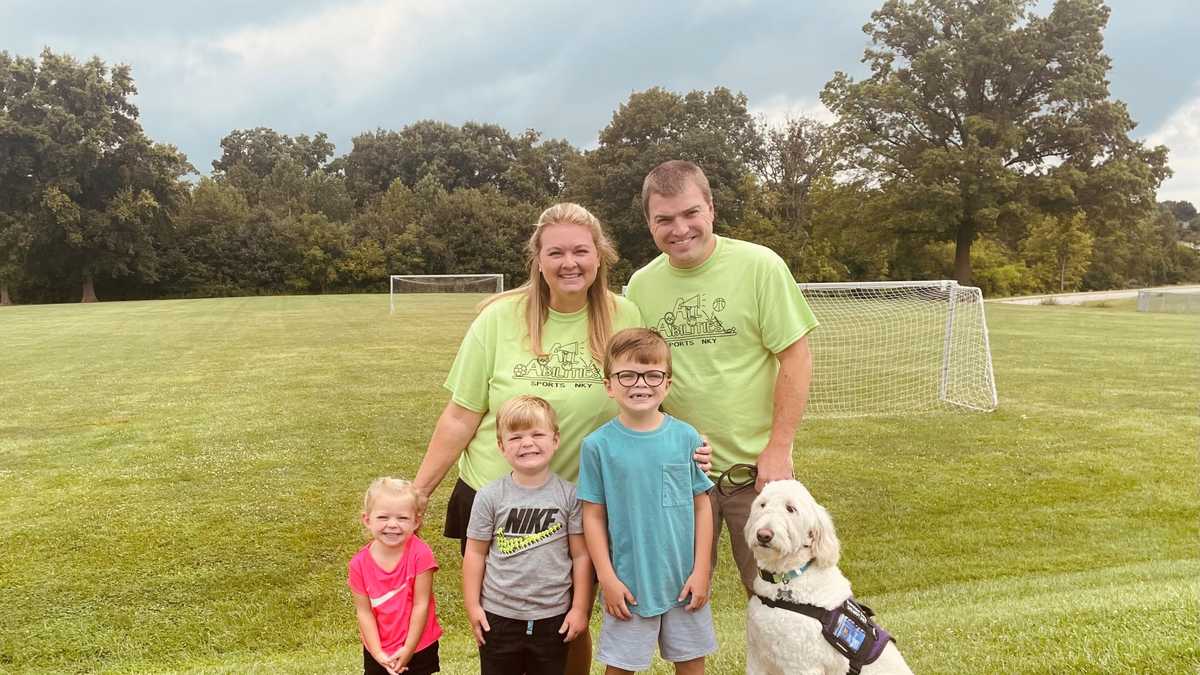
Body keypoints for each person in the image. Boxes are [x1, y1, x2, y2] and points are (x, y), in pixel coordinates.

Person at [412, 202, 647, 674]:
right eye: (555, 252)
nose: (569, 263)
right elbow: (461, 414)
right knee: (501, 627)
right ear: (538, 259)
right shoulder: (498, 319)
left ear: (599, 255)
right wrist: (419, 492)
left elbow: (643, 398)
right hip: (495, 498)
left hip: (579, 503)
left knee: (569, 624)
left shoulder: (625, 315)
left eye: (581, 250)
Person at [626, 160, 820, 595]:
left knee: (782, 597)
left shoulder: (759, 266)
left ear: (711, 208)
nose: (680, 229)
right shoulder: (640, 286)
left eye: (690, 213)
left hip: (755, 474)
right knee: (678, 601)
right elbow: (638, 378)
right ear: (649, 223)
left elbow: (795, 357)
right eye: (665, 219)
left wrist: (778, 448)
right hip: (678, 472)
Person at [578, 328, 716, 675]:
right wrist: (607, 578)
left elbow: (702, 506)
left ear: (667, 383)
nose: (641, 383)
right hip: (629, 584)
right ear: (609, 384)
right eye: (627, 375)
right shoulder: (597, 446)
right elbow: (592, 516)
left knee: (691, 665)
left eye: (653, 374)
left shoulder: (686, 437)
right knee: (620, 667)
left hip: (684, 582)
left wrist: (701, 571)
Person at [463, 395, 592, 674]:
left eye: (537, 434)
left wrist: (579, 609)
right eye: (516, 437)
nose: (527, 443)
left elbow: (581, 556)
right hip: (498, 617)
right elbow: (475, 553)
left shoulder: (569, 496)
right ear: (501, 446)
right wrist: (473, 606)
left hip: (552, 616)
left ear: (555, 440)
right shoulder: (489, 496)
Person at [348, 477, 443, 675]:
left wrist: (408, 649)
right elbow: (364, 613)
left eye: (402, 518)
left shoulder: (420, 554)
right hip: (378, 650)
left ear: (416, 521)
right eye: (383, 517)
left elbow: (421, 605)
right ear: (367, 520)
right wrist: (378, 654)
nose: (393, 525)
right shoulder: (358, 564)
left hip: (419, 647)